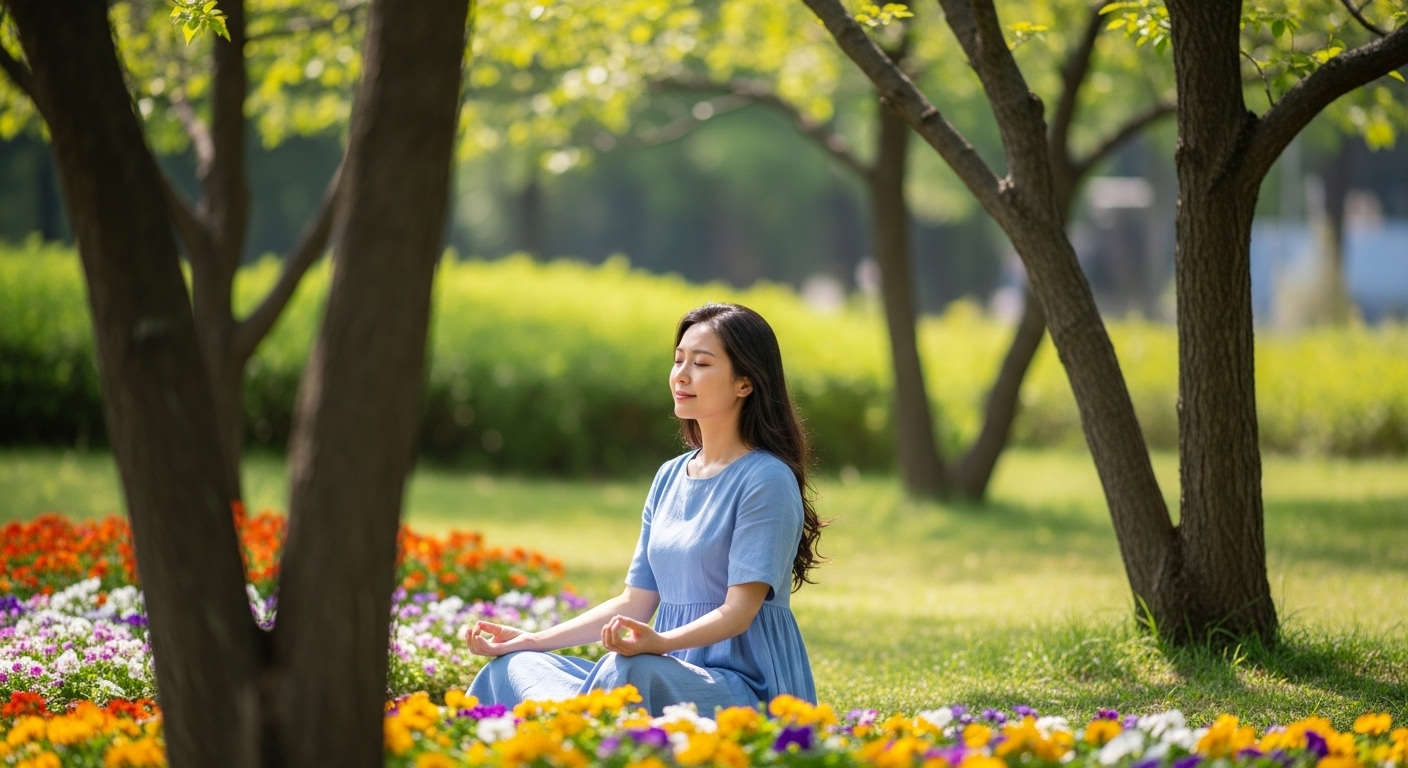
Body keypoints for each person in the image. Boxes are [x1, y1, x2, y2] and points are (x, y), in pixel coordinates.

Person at [465, 302, 825, 715]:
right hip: (663, 670)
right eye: (678, 361)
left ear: (744, 383)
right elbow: (634, 603)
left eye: (702, 363)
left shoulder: (767, 479)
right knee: (512, 668)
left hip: (745, 688)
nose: (682, 375)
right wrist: (531, 639)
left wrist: (660, 644)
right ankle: (562, 731)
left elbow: (738, 614)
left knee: (630, 674)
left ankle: (565, 736)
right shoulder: (670, 476)